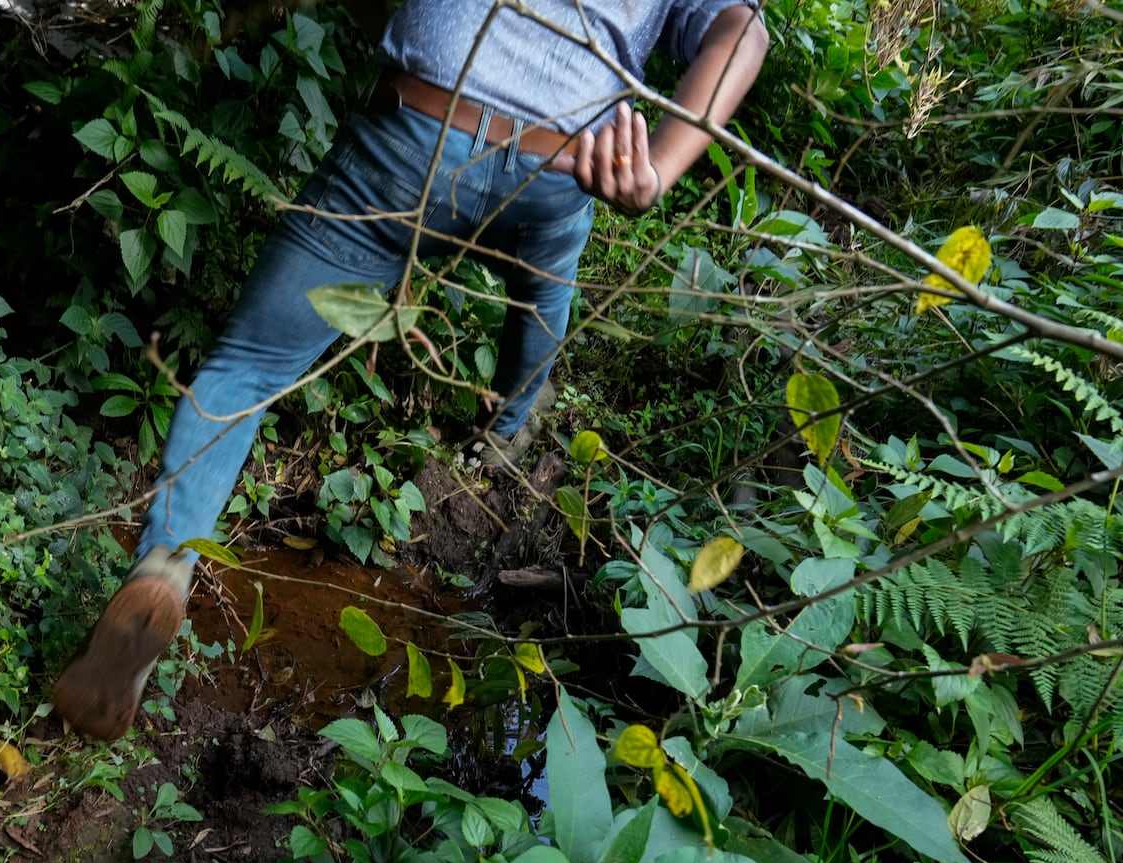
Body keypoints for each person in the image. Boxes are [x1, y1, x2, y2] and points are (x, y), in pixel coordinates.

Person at [52, 0, 770, 740]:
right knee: (545, 280)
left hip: (417, 131)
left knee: (249, 367)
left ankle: (163, 568)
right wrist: (660, 168)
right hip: (564, 165)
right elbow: (743, 30)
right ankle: (507, 434)